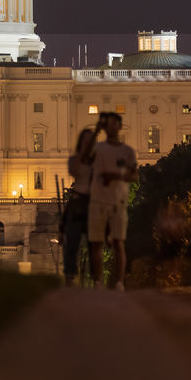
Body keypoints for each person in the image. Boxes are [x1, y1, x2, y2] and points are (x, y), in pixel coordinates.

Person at [87, 112, 138, 289]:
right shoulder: (98, 148)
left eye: (113, 123)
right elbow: (84, 155)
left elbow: (135, 175)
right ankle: (98, 282)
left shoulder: (127, 151)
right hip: (99, 201)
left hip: (118, 201)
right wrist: (95, 131)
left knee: (119, 243)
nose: (111, 127)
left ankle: (119, 282)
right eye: (107, 124)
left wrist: (116, 175)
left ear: (119, 126)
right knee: (97, 243)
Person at [61, 128, 96, 284]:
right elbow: (74, 171)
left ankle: (96, 279)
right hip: (77, 204)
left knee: (93, 244)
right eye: (85, 140)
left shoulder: (98, 160)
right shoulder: (74, 159)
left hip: (93, 204)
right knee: (71, 242)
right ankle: (70, 275)